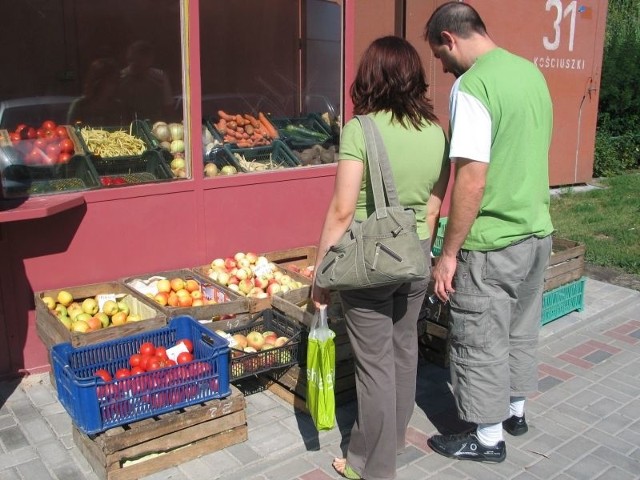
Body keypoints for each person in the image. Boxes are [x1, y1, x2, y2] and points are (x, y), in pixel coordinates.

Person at [312, 36, 449, 480]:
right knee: (403, 354)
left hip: (368, 264)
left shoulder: (361, 128)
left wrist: (321, 275)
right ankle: (382, 447)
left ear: (371, 76)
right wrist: (422, 253)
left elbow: (342, 210)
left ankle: (374, 469)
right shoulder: (435, 132)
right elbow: (431, 207)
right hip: (414, 258)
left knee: (373, 368)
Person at [423, 2, 554, 463]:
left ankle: (487, 437)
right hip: (537, 231)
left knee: (480, 336)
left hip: (494, 239)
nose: (442, 66)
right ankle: (515, 411)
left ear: (450, 38)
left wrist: (450, 252)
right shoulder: (529, 74)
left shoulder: (473, 86)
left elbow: (472, 177)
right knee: (520, 328)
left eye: (440, 55)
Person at [117, 40, 174, 122]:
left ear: (150, 60)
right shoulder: (120, 78)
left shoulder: (160, 78)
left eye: (142, 62)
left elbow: (168, 106)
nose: (138, 65)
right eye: (134, 61)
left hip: (155, 125)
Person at [67, 57, 124, 126]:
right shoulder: (80, 106)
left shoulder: (118, 107)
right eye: (111, 81)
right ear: (99, 82)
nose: (115, 85)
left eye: (116, 81)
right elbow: (71, 131)